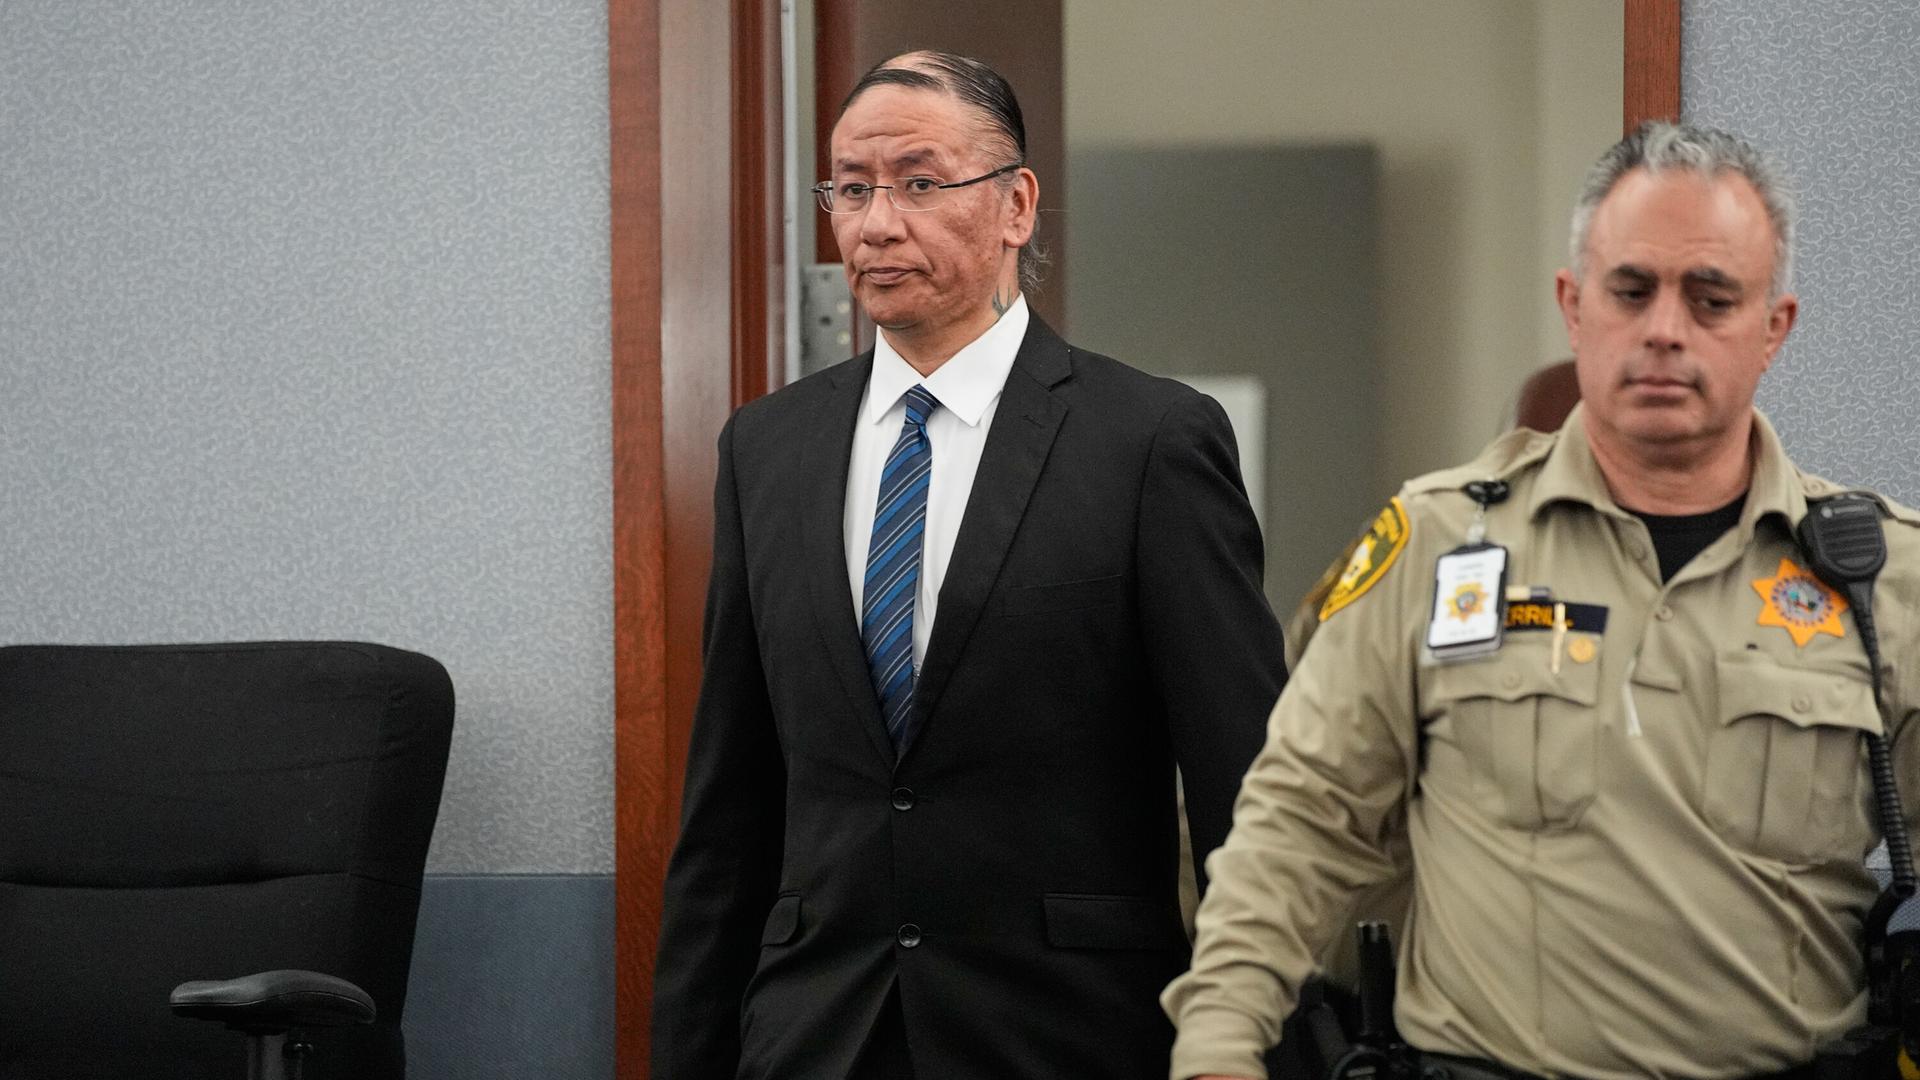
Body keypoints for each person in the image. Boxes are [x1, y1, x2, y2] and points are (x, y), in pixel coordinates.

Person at [1165, 120, 1920, 1080]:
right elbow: (1298, 825)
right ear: (1574, 306)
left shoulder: (1880, 579)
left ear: (1775, 327)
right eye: (1631, 289)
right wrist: (1219, 1051)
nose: (1664, 329)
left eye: (1712, 297)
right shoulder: (1438, 544)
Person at [652, 50, 1288, 1079]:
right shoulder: (767, 450)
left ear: (1016, 206)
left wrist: (1258, 1043)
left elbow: (1247, 790)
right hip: (818, 1035)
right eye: (851, 188)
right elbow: (729, 810)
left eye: (919, 181)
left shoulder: (1149, 442)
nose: (877, 222)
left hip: (1068, 1031)